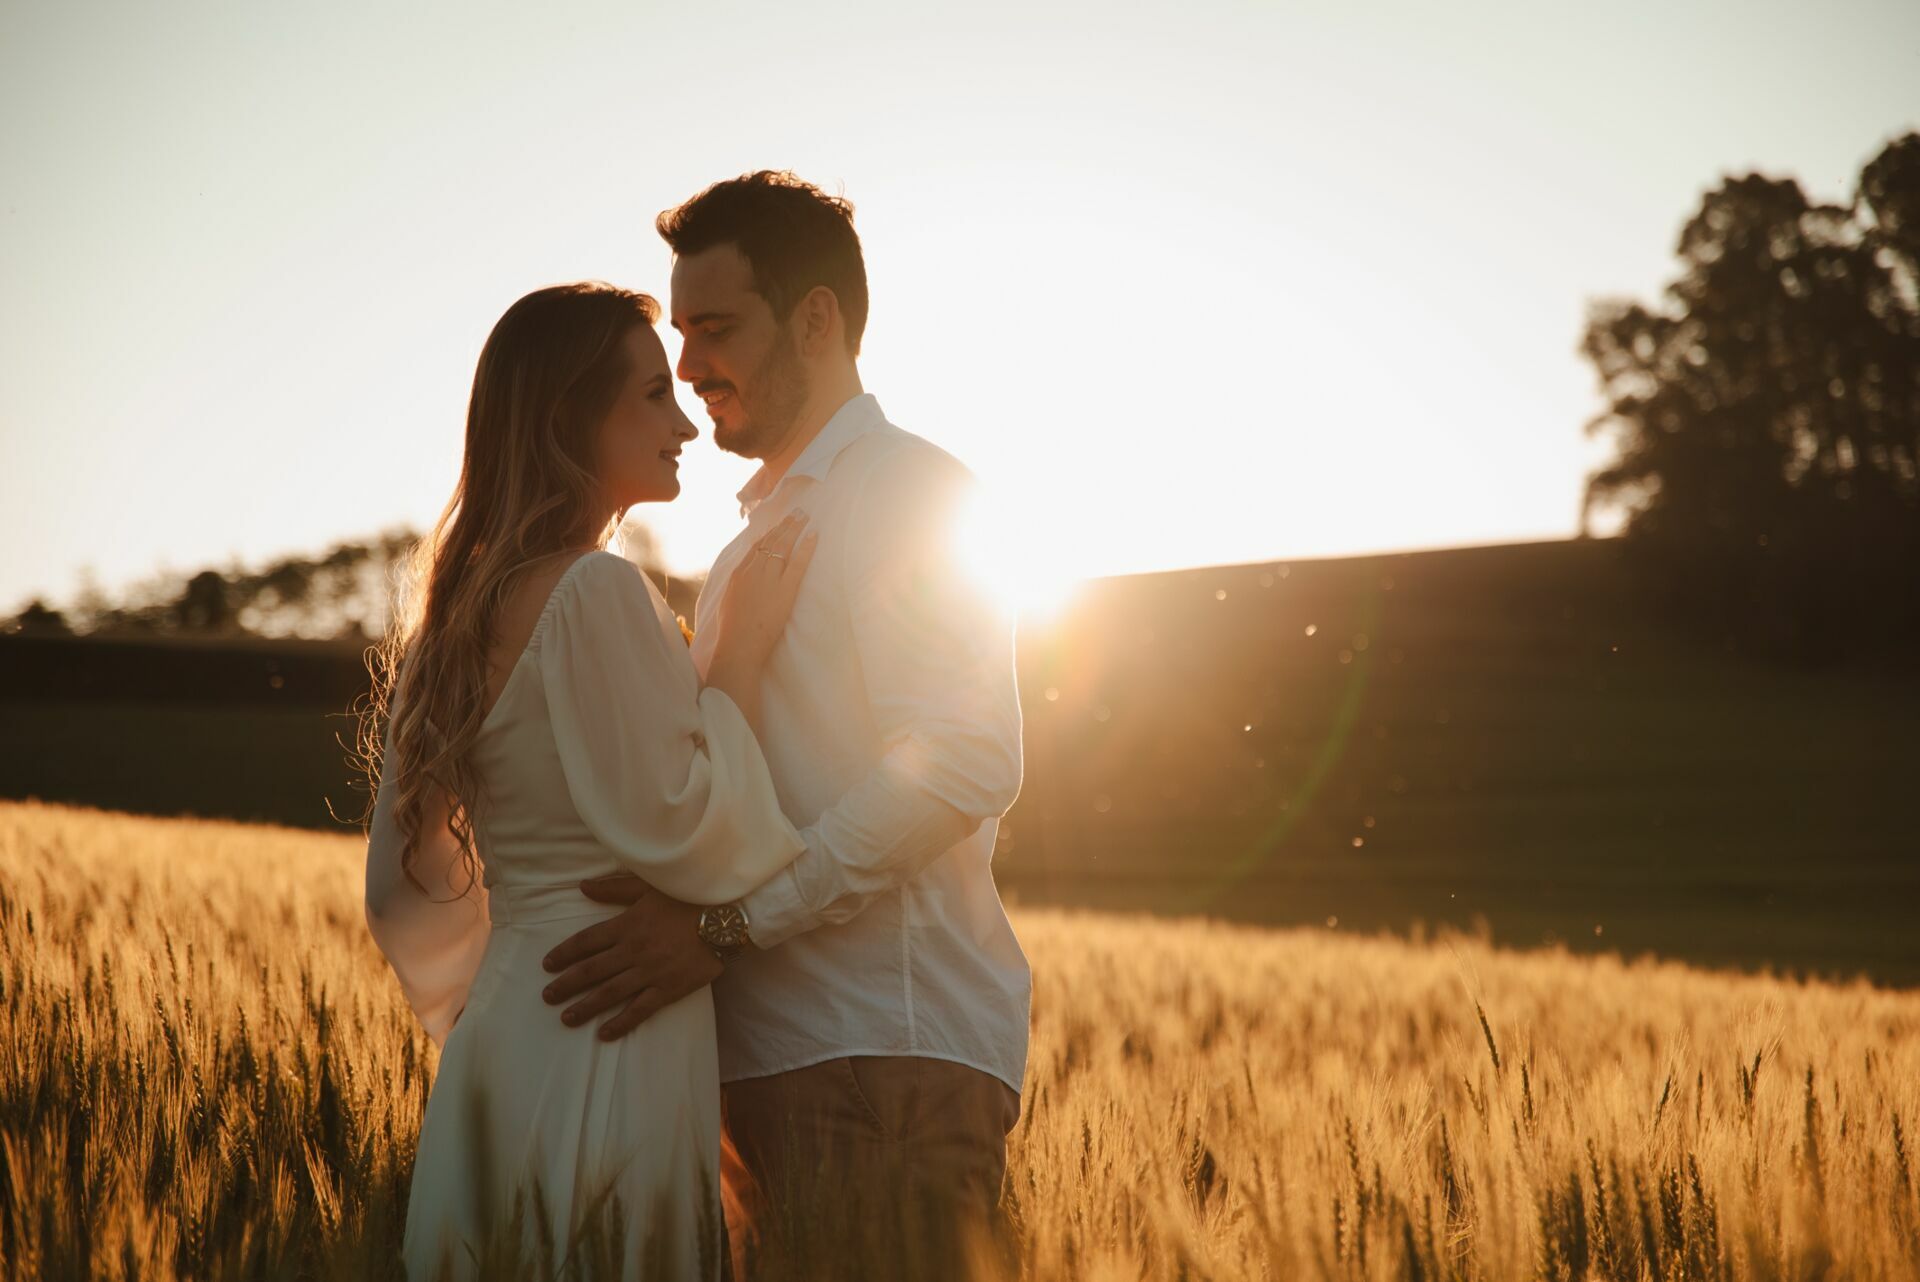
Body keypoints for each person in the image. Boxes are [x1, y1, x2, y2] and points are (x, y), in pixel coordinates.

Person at [534, 172, 1030, 1277]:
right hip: (766, 1067)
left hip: (876, 1061)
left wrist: (723, 930)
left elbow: (965, 758)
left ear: (817, 318)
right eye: (684, 335)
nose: (692, 366)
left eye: (717, 328)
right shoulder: (759, 535)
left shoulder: (906, 492)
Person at [361, 281, 819, 1280]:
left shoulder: (452, 614)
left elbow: (399, 894)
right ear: (575, 421)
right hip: (616, 1021)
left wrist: (506, 972)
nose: (686, 421)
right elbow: (690, 828)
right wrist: (736, 660)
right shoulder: (594, 589)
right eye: (653, 395)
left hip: (506, 1041)